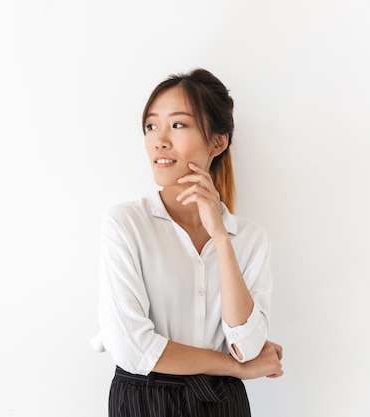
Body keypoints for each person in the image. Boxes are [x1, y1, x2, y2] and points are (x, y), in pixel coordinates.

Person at [91, 68, 284, 417]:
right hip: (143, 400)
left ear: (218, 142)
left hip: (223, 404)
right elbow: (133, 349)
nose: (159, 140)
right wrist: (236, 369)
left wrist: (221, 237)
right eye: (151, 126)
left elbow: (249, 346)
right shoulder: (126, 224)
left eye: (178, 125)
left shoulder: (249, 239)